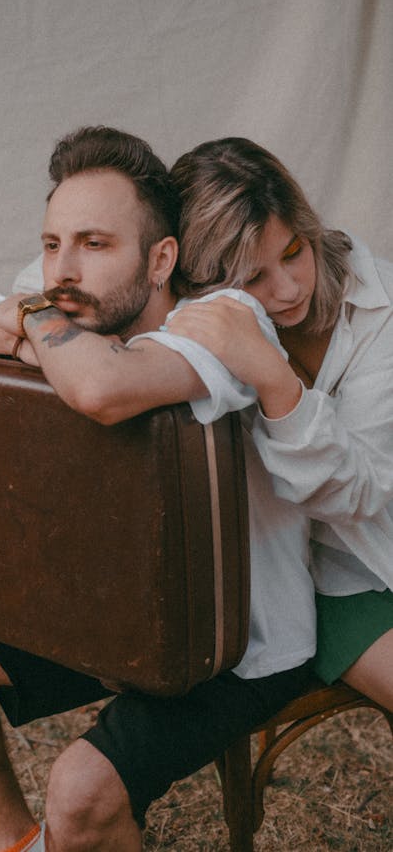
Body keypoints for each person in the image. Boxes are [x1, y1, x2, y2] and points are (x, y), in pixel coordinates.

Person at [0, 126, 315, 852]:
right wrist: (13, 327)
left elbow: (100, 387)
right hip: (111, 615)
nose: (63, 269)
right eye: (53, 243)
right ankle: (15, 844)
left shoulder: (221, 322)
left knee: (79, 792)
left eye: (94, 244)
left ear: (160, 260)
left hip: (237, 643)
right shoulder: (67, 306)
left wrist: (26, 315)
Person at [165, 135, 393, 713]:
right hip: (334, 582)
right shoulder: (189, 319)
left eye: (293, 251)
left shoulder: (380, 307)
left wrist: (275, 383)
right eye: (251, 277)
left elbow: (363, 491)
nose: (288, 289)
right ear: (198, 281)